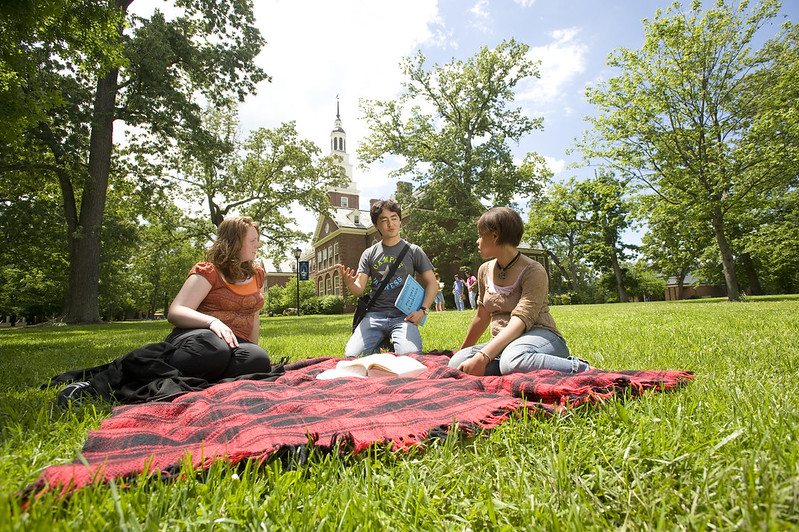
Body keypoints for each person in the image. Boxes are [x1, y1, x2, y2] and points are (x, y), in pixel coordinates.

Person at [56, 216, 272, 403]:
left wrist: (252, 346)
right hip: (200, 338)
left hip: (234, 343)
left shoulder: (257, 274)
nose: (258, 245)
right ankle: (99, 385)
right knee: (215, 350)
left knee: (258, 360)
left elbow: (253, 312)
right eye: (252, 240)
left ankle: (189, 382)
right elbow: (176, 312)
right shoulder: (209, 272)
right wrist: (213, 322)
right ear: (235, 242)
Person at [448, 207, 590, 376]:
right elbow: (481, 316)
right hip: (504, 344)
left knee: (512, 361)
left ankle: (579, 368)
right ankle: (516, 368)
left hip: (540, 337)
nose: (477, 241)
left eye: (480, 235)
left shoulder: (533, 271)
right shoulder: (484, 270)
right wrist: (463, 354)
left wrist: (484, 356)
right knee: (456, 363)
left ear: (495, 235)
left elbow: (521, 320)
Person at [338, 199, 438, 357]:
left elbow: (432, 283)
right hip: (374, 316)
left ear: (400, 221)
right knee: (352, 355)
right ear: (376, 225)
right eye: (384, 220)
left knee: (409, 356)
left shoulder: (413, 251)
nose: (390, 224)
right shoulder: (369, 253)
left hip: (403, 317)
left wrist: (423, 311)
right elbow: (359, 289)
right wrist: (350, 284)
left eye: (394, 218)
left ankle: (387, 341)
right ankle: (381, 340)